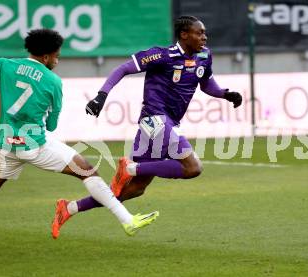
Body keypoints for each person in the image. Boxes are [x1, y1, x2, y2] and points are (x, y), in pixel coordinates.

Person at [0, 29, 158, 257]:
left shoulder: (5, 65)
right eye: (57, 56)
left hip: (6, 145)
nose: (58, 61)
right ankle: (127, 220)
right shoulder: (53, 82)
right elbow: (50, 126)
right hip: (35, 146)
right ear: (47, 57)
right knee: (88, 171)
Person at [51, 15, 242, 237]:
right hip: (154, 119)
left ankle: (69, 208)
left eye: (204, 33)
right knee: (193, 168)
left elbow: (206, 82)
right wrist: (101, 96)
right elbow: (123, 68)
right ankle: (130, 167)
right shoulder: (162, 55)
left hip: (165, 124)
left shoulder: (204, 56)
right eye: (199, 33)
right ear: (184, 35)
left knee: (131, 190)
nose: (204, 37)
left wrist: (225, 94)